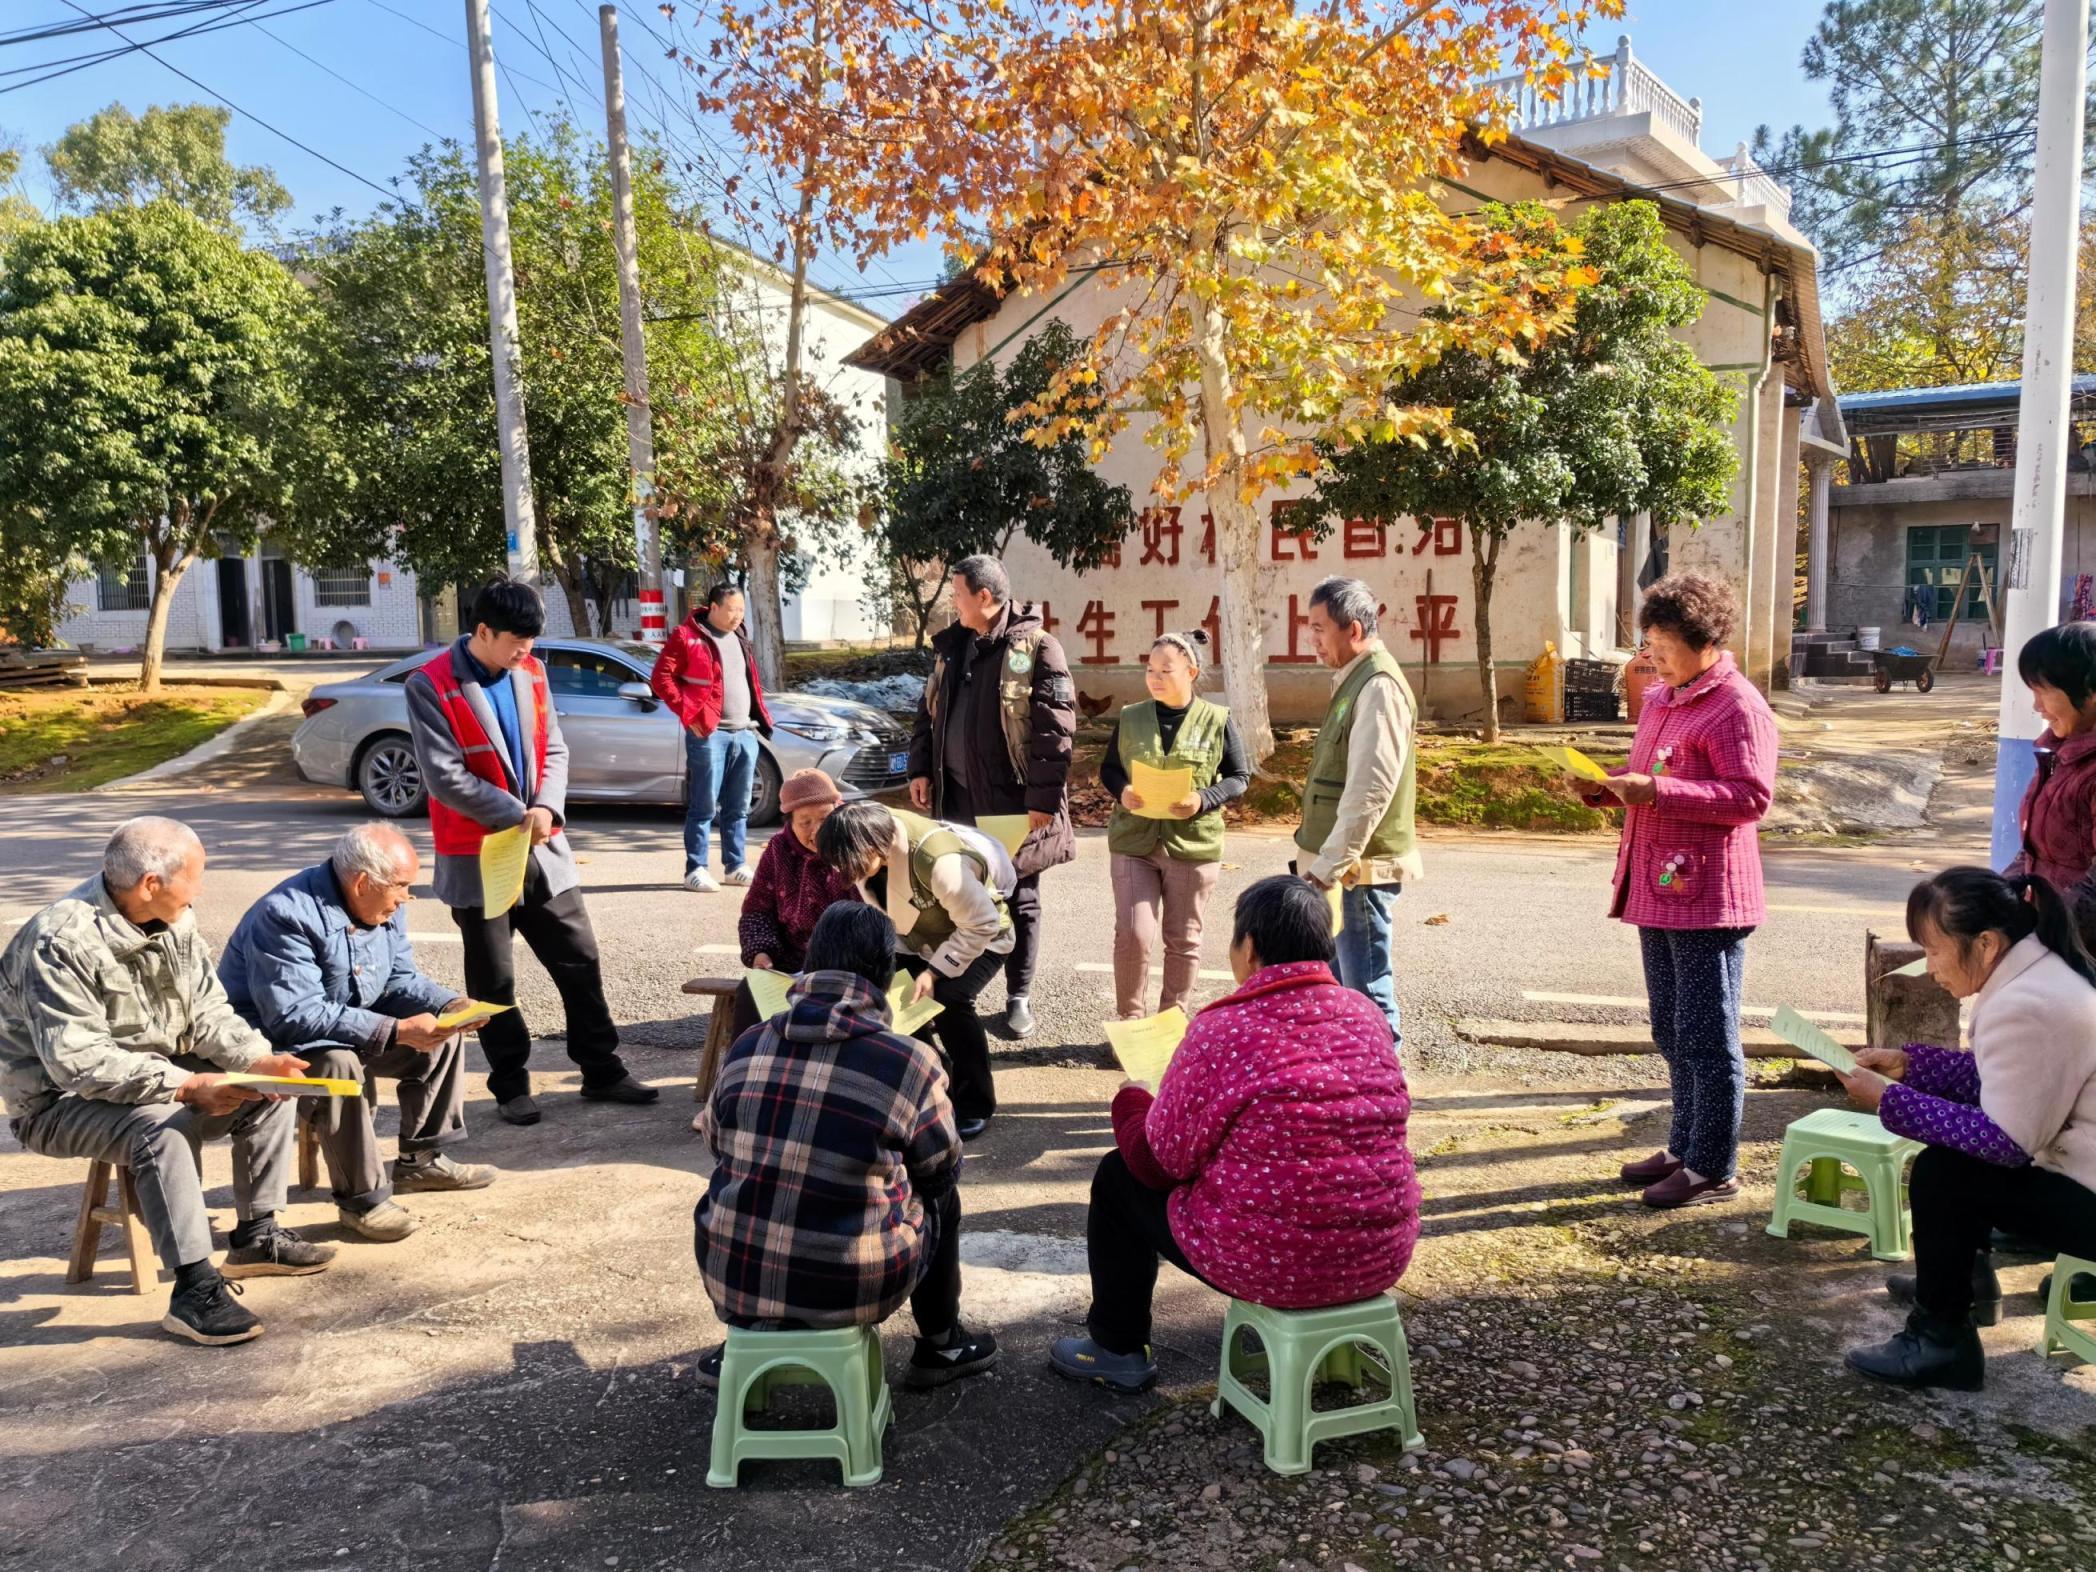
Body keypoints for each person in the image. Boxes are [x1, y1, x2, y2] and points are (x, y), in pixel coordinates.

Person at [1049, 875, 1417, 1393]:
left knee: (1117, 1176)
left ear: (1248, 948)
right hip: (1379, 1256)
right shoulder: (1367, 1014)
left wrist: (1132, 1099)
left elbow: (1156, 1164)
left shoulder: (1223, 1027)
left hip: (1269, 1265)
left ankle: (1116, 1348)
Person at [0, 818, 334, 1346]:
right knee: (161, 1126)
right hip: (57, 1104)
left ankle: (256, 1234)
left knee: (267, 1089)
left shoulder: (174, 919)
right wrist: (186, 1086)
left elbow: (207, 1012)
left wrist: (257, 1059)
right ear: (150, 884)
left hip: (157, 1074)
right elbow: (78, 1064)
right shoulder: (60, 941)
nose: (200, 888)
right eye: (195, 876)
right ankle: (194, 1289)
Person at [693, 902, 998, 1390]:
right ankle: (942, 1342)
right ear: (886, 974)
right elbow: (941, 1168)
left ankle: (746, 1335)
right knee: (941, 1197)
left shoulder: (749, 1043)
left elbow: (715, 1141)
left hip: (731, 1278)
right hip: (852, 1285)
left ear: (810, 963)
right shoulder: (911, 1061)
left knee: (743, 1178)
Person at [405, 577, 658, 1126]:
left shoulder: (533, 673)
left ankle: (602, 1069)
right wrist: (517, 814)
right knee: (493, 980)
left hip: (543, 847)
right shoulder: (430, 683)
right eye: (517, 640)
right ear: (483, 631)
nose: (526, 650)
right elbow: (444, 777)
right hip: (480, 855)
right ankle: (510, 1084)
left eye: (532, 640)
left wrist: (546, 807)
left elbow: (555, 749)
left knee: (580, 959)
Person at [1841, 868, 2096, 1391]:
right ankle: (1962, 1285)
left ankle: (1941, 1340)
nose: (1929, 967)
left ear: (1985, 943)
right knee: (1956, 1163)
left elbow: (2004, 1141)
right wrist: (1911, 1067)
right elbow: (2005, 1079)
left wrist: (1890, 1099)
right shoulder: (2036, 974)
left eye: (1934, 950)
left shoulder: (2027, 1003)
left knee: (1946, 1172)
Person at [1580, 573, 1778, 1210]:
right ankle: (1683, 1146)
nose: (1654, 658)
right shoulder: (1664, 698)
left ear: (1705, 641)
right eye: (1650, 644)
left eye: (1665, 647)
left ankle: (1713, 1166)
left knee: (1707, 1035)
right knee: (1671, 1027)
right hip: (1657, 886)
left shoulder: (1737, 706)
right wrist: (1604, 784)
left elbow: (1750, 798)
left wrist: (1657, 791)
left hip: (1709, 898)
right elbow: (1647, 775)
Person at [219, 823, 498, 1243]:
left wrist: (448, 1004)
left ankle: (420, 1161)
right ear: (362, 882)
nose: (407, 897)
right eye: (401, 886)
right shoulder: (285, 914)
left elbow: (398, 978)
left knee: (441, 1036)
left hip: (343, 1019)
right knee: (339, 1064)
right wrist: (394, 1030)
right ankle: (362, 1201)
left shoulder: (383, 906)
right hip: (274, 1042)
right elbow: (294, 1015)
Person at [907, 553, 1076, 1040]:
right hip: (956, 798)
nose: (952, 603)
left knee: (1019, 898)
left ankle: (1018, 995)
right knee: (954, 895)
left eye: (957, 594)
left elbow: (1055, 732)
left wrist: (1042, 801)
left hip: (1012, 804)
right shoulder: (952, 646)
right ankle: (953, 990)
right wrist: (921, 768)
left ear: (984, 596)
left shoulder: (1037, 647)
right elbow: (927, 712)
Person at [817, 799, 1016, 1140]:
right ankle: (933, 1079)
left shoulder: (938, 861)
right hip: (916, 940)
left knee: (950, 1000)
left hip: (981, 937)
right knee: (893, 999)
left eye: (851, 862)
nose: (846, 871)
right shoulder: (870, 836)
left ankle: (975, 1103)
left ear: (874, 846)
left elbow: (982, 924)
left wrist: (934, 972)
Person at [1099, 629, 1250, 1019]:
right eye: (1150, 669)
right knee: (1133, 934)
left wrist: (1203, 799)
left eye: (1166, 670)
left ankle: (1171, 1024)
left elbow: (1239, 777)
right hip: (1134, 841)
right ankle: (1131, 1022)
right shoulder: (1131, 717)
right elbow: (1110, 769)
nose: (1155, 678)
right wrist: (1123, 791)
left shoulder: (1217, 720)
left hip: (1193, 846)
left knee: (1183, 940)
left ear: (1191, 672)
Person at [1296, 575, 1420, 1045]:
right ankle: (1353, 1080)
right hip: (1342, 867)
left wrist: (1330, 865)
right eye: (1309, 628)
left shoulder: (1378, 686)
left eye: (1319, 628)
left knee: (1366, 989)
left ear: (1353, 629)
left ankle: (1384, 1082)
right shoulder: (1355, 678)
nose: (1312, 639)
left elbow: (1370, 789)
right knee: (1340, 989)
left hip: (1356, 871)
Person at [649, 581, 774, 893]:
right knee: (704, 806)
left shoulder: (740, 634)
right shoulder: (686, 636)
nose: (738, 615)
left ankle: (735, 865)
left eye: (741, 609)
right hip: (709, 733)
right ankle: (696, 869)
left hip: (744, 732)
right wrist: (689, 714)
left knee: (739, 806)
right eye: (732, 610)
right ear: (714, 607)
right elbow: (661, 678)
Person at [724, 767, 861, 1038]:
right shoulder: (778, 849)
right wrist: (760, 952)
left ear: (838, 809)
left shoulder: (857, 843)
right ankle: (746, 1061)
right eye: (805, 822)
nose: (817, 831)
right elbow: (757, 911)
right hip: (790, 966)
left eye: (825, 818)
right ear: (790, 823)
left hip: (849, 965)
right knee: (749, 996)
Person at [2006, 621, 2096, 950]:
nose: (2036, 706)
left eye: (2043, 691)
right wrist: (1993, 898)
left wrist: (2036, 935)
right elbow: (2036, 852)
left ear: (2090, 691)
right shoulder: (2060, 754)